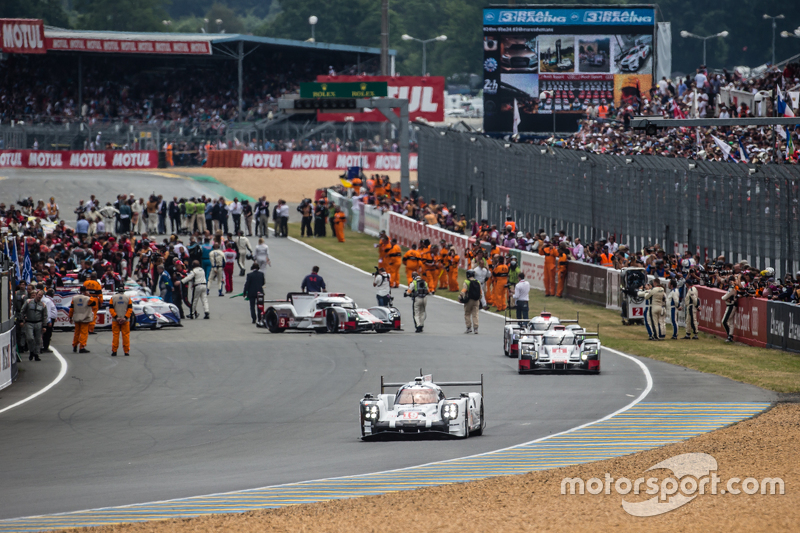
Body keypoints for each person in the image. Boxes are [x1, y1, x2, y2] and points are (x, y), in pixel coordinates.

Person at [20, 290, 47, 361]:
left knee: (38, 339)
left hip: (38, 323)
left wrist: (44, 326)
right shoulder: (28, 302)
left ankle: (36, 354)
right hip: (29, 322)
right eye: (39, 295)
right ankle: (31, 350)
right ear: (36, 294)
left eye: (41, 295)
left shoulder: (43, 305)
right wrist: (21, 320)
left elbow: (44, 316)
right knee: (30, 338)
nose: (39, 296)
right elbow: (22, 311)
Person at [69, 286, 96, 353]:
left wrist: (70, 317)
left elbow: (71, 308)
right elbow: (94, 303)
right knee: (84, 333)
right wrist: (89, 295)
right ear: (85, 291)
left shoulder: (74, 298)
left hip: (77, 317)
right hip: (85, 317)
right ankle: (82, 346)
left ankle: (74, 345)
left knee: (76, 332)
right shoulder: (87, 298)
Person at [109, 288, 133, 357]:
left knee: (115, 335)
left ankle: (114, 351)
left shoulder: (113, 298)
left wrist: (116, 317)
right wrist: (125, 318)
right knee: (125, 335)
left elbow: (111, 308)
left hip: (115, 320)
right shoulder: (128, 298)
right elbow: (130, 309)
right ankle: (126, 351)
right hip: (125, 320)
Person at [461, 269, 482, 334]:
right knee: (475, 314)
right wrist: (479, 299)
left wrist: (460, 297)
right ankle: (476, 328)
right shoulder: (478, 282)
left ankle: (468, 327)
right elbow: (480, 292)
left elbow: (464, 290)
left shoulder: (466, 282)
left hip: (469, 300)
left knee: (467, 314)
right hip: (476, 300)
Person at [41, 289, 57, 353]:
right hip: (49, 319)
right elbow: (48, 311)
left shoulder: (48, 300)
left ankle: (45, 346)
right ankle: (45, 347)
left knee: (48, 333)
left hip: (50, 318)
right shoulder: (47, 301)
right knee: (48, 333)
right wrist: (49, 320)